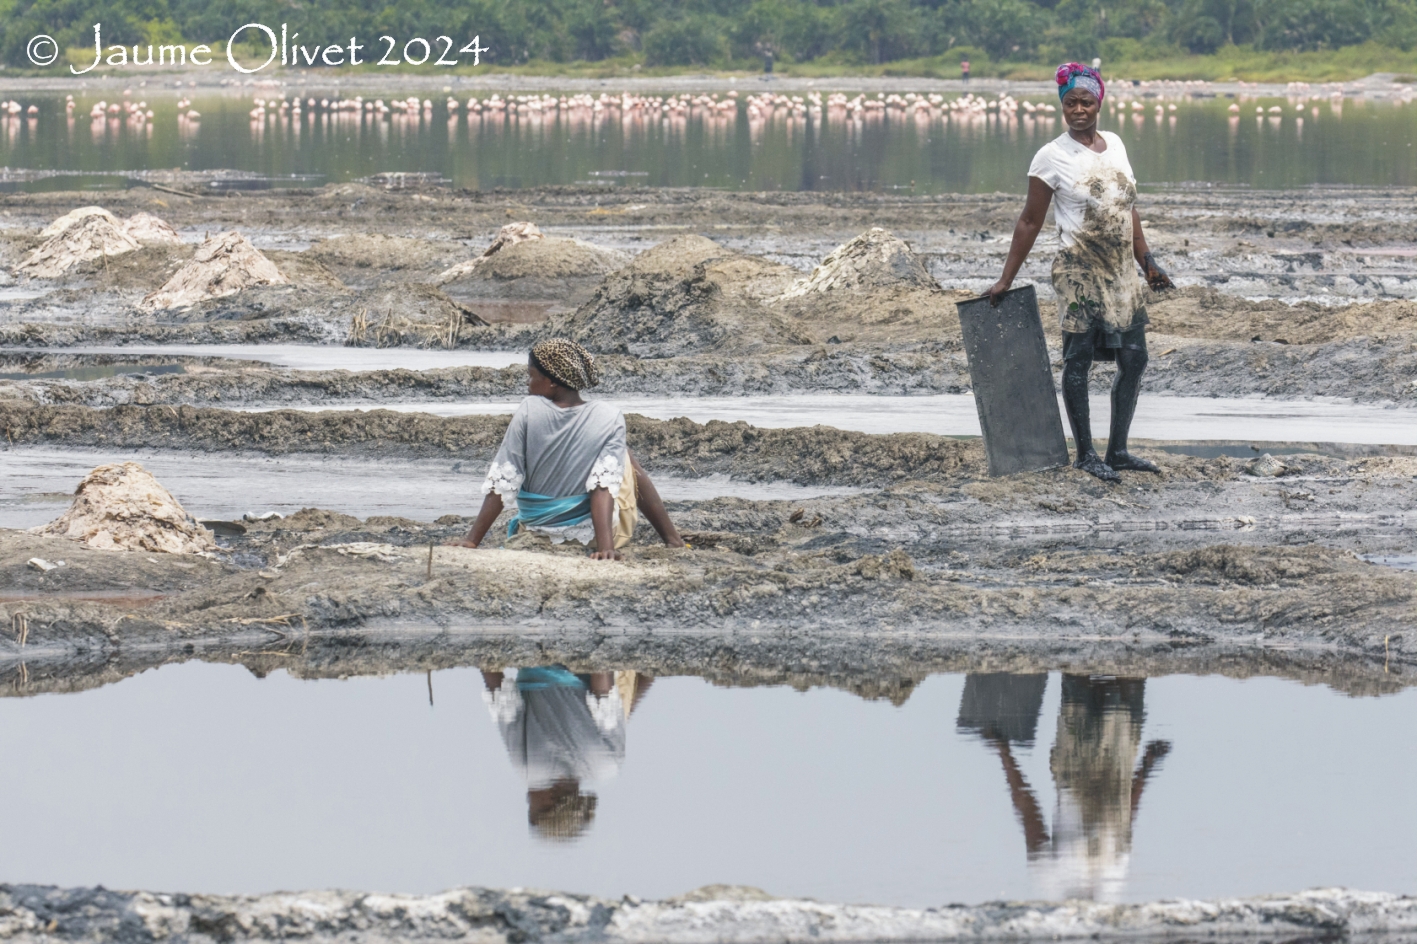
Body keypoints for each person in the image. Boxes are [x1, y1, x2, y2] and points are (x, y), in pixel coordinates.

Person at [986, 62, 1174, 483]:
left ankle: (1118, 450)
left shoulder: (1117, 145)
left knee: (1135, 357)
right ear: (1062, 107)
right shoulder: (1051, 156)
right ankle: (1086, 454)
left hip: (1121, 270)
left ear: (1099, 103)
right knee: (1079, 358)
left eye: (1086, 102)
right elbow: (1029, 221)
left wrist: (1148, 263)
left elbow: (1128, 210)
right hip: (1078, 270)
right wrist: (1006, 279)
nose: (1078, 110)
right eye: (1070, 103)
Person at [454, 338, 685, 559]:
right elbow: (602, 488)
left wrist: (473, 540)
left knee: (618, 456)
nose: (528, 384)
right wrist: (606, 548)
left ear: (552, 381)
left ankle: (671, 539)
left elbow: (505, 477)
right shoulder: (609, 416)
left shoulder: (528, 409)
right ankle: (672, 539)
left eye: (531, 376)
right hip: (590, 538)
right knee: (624, 458)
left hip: (535, 531)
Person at [481, 667, 653, 840]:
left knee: (620, 713)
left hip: (590, 669)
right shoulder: (529, 771)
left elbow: (604, 693)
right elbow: (501, 697)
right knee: (620, 712)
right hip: (536, 663)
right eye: (530, 806)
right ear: (552, 802)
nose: (526, 797)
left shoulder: (605, 767)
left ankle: (650, 665)